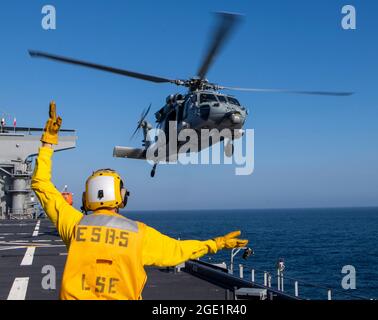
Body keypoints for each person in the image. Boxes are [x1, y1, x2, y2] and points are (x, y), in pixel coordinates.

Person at [31, 101, 248, 300]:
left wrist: (48, 143)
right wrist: (216, 244)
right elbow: (179, 251)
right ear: (121, 197)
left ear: (87, 199)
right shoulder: (138, 234)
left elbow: (41, 184)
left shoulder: (75, 226)